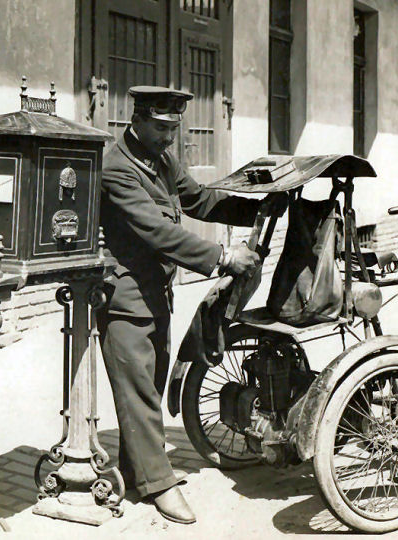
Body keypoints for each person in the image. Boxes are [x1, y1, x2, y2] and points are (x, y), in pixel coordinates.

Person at [98, 86, 273, 524]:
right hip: (123, 294)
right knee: (138, 390)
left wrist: (255, 211)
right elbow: (157, 231)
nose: (168, 137)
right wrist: (222, 257)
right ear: (136, 118)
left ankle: (135, 472)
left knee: (150, 387)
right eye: (160, 128)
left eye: (173, 128)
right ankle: (159, 485)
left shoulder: (160, 158)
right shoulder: (117, 167)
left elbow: (198, 199)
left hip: (155, 290)